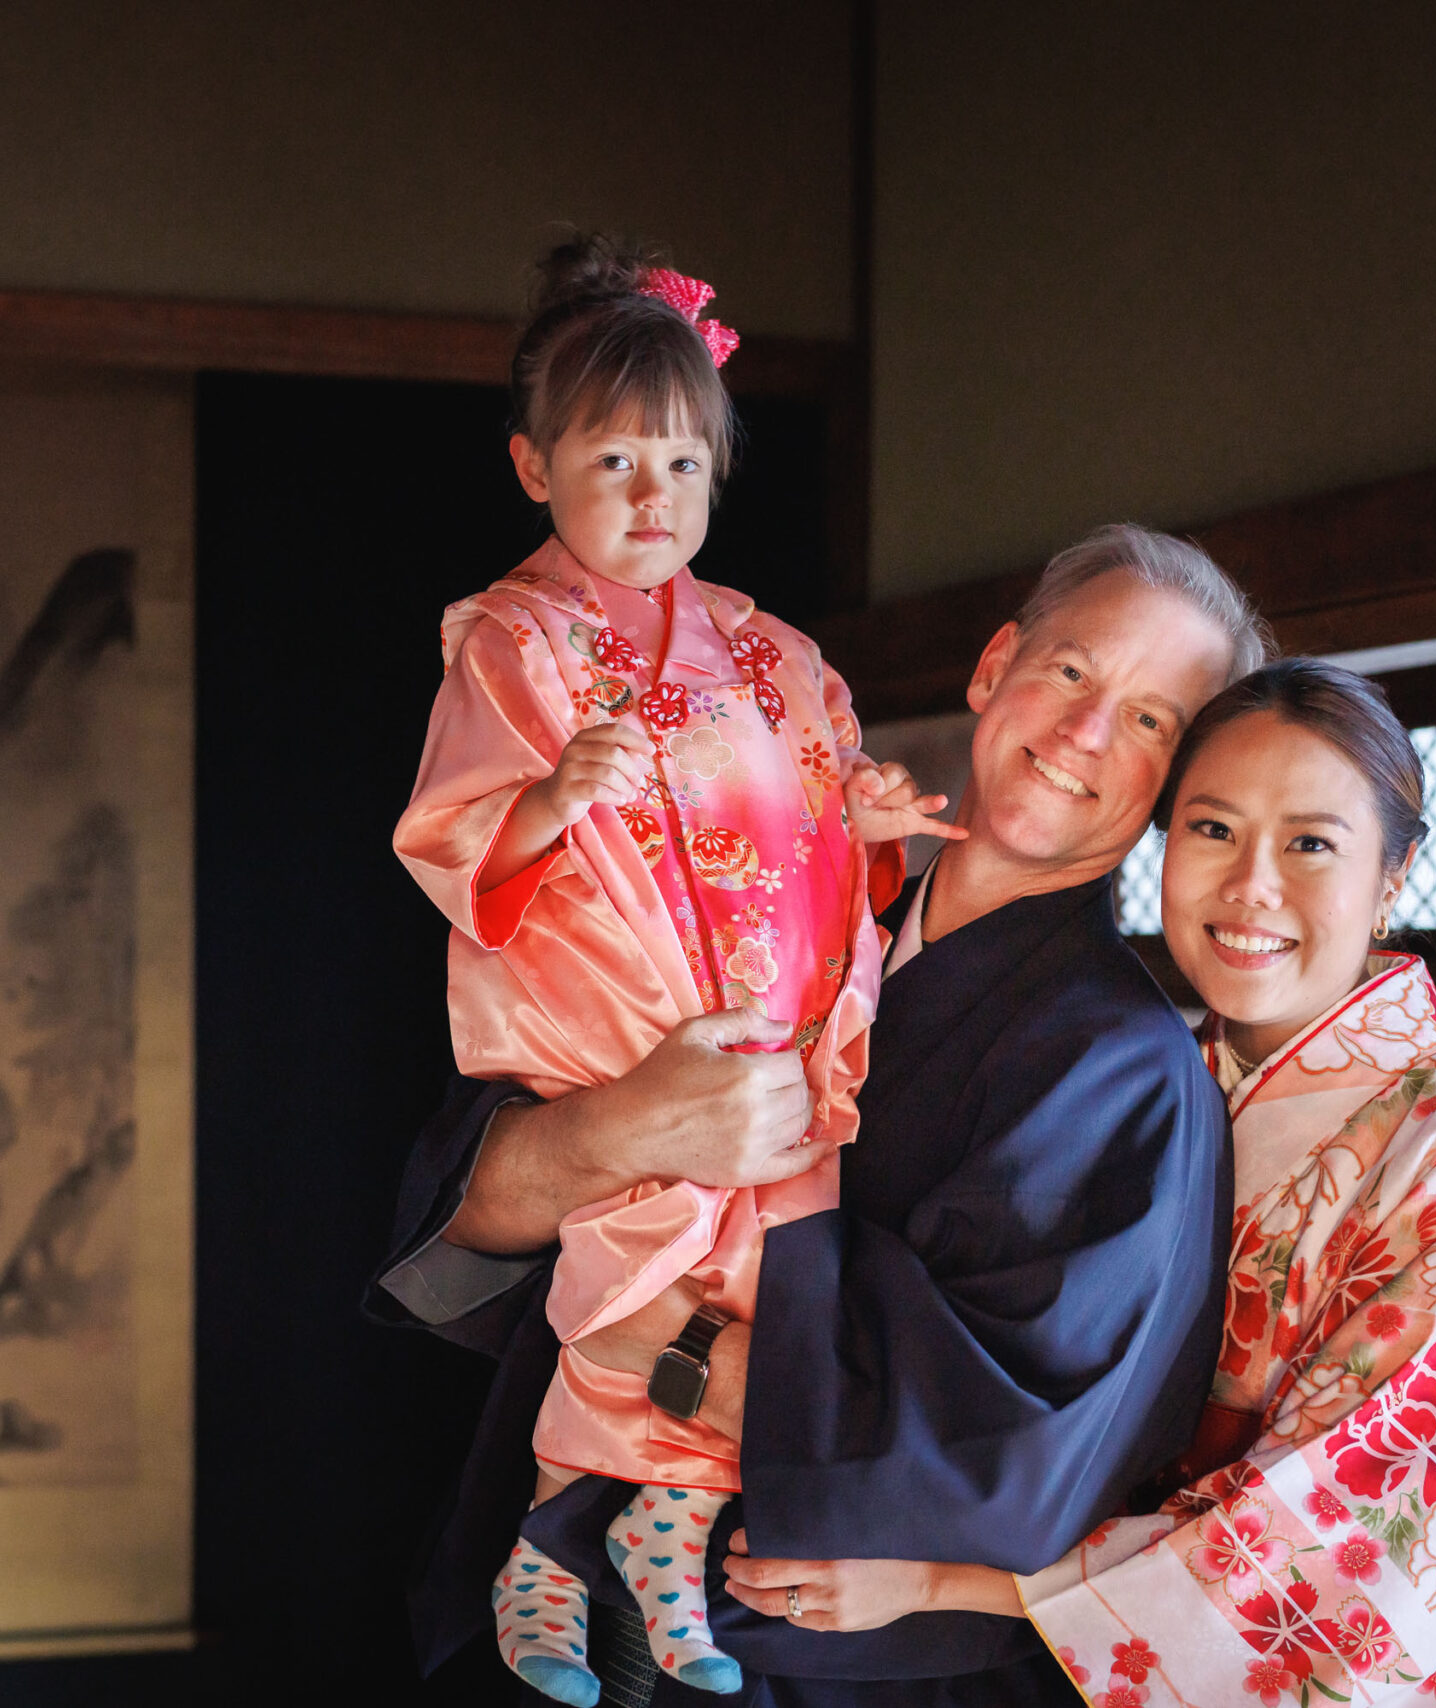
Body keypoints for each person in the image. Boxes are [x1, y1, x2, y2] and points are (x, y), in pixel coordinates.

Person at [374, 522, 1266, 1704]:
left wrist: (677, 1353)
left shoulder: (1125, 1070)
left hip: (817, 1672)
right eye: (1070, 670)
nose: (1085, 733)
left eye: (1152, 720)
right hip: (553, 1592)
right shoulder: (774, 908)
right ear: (994, 663)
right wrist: (622, 1129)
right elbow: (469, 1221)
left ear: (1173, 785)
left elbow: (1016, 1463)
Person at [723, 661, 1436, 1707]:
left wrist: (948, 1578)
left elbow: (1346, 1552)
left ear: (1393, 876)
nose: (1251, 885)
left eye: (1310, 843)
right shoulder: (1163, 1067)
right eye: (1211, 830)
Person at [392, 234, 962, 1701]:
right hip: (629, 1019)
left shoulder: (781, 654)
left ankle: (663, 1525)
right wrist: (549, 799)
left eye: (683, 468)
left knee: (776, 1283)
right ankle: (542, 1549)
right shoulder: (513, 642)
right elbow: (455, 835)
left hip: (774, 1027)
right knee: (648, 1261)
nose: (655, 500)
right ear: (534, 467)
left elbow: (818, 834)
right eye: (615, 464)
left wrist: (873, 829)